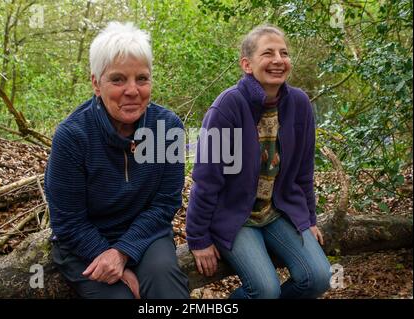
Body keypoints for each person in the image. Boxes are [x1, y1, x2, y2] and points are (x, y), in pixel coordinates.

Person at [44, 21, 189, 299]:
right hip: (83, 241)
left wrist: (123, 253)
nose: (132, 90)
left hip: (146, 232)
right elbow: (68, 221)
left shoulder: (167, 128)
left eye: (142, 79)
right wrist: (110, 259)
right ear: (96, 83)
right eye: (118, 79)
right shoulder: (73, 135)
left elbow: (165, 203)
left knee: (165, 285)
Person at [186, 24, 331, 299]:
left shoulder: (299, 104)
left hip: (278, 212)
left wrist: (309, 218)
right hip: (234, 217)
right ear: (247, 64)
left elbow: (303, 172)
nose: (278, 60)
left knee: (319, 278)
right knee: (265, 291)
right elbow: (206, 179)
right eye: (268, 53)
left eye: (284, 53)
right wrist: (198, 238)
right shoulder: (227, 107)